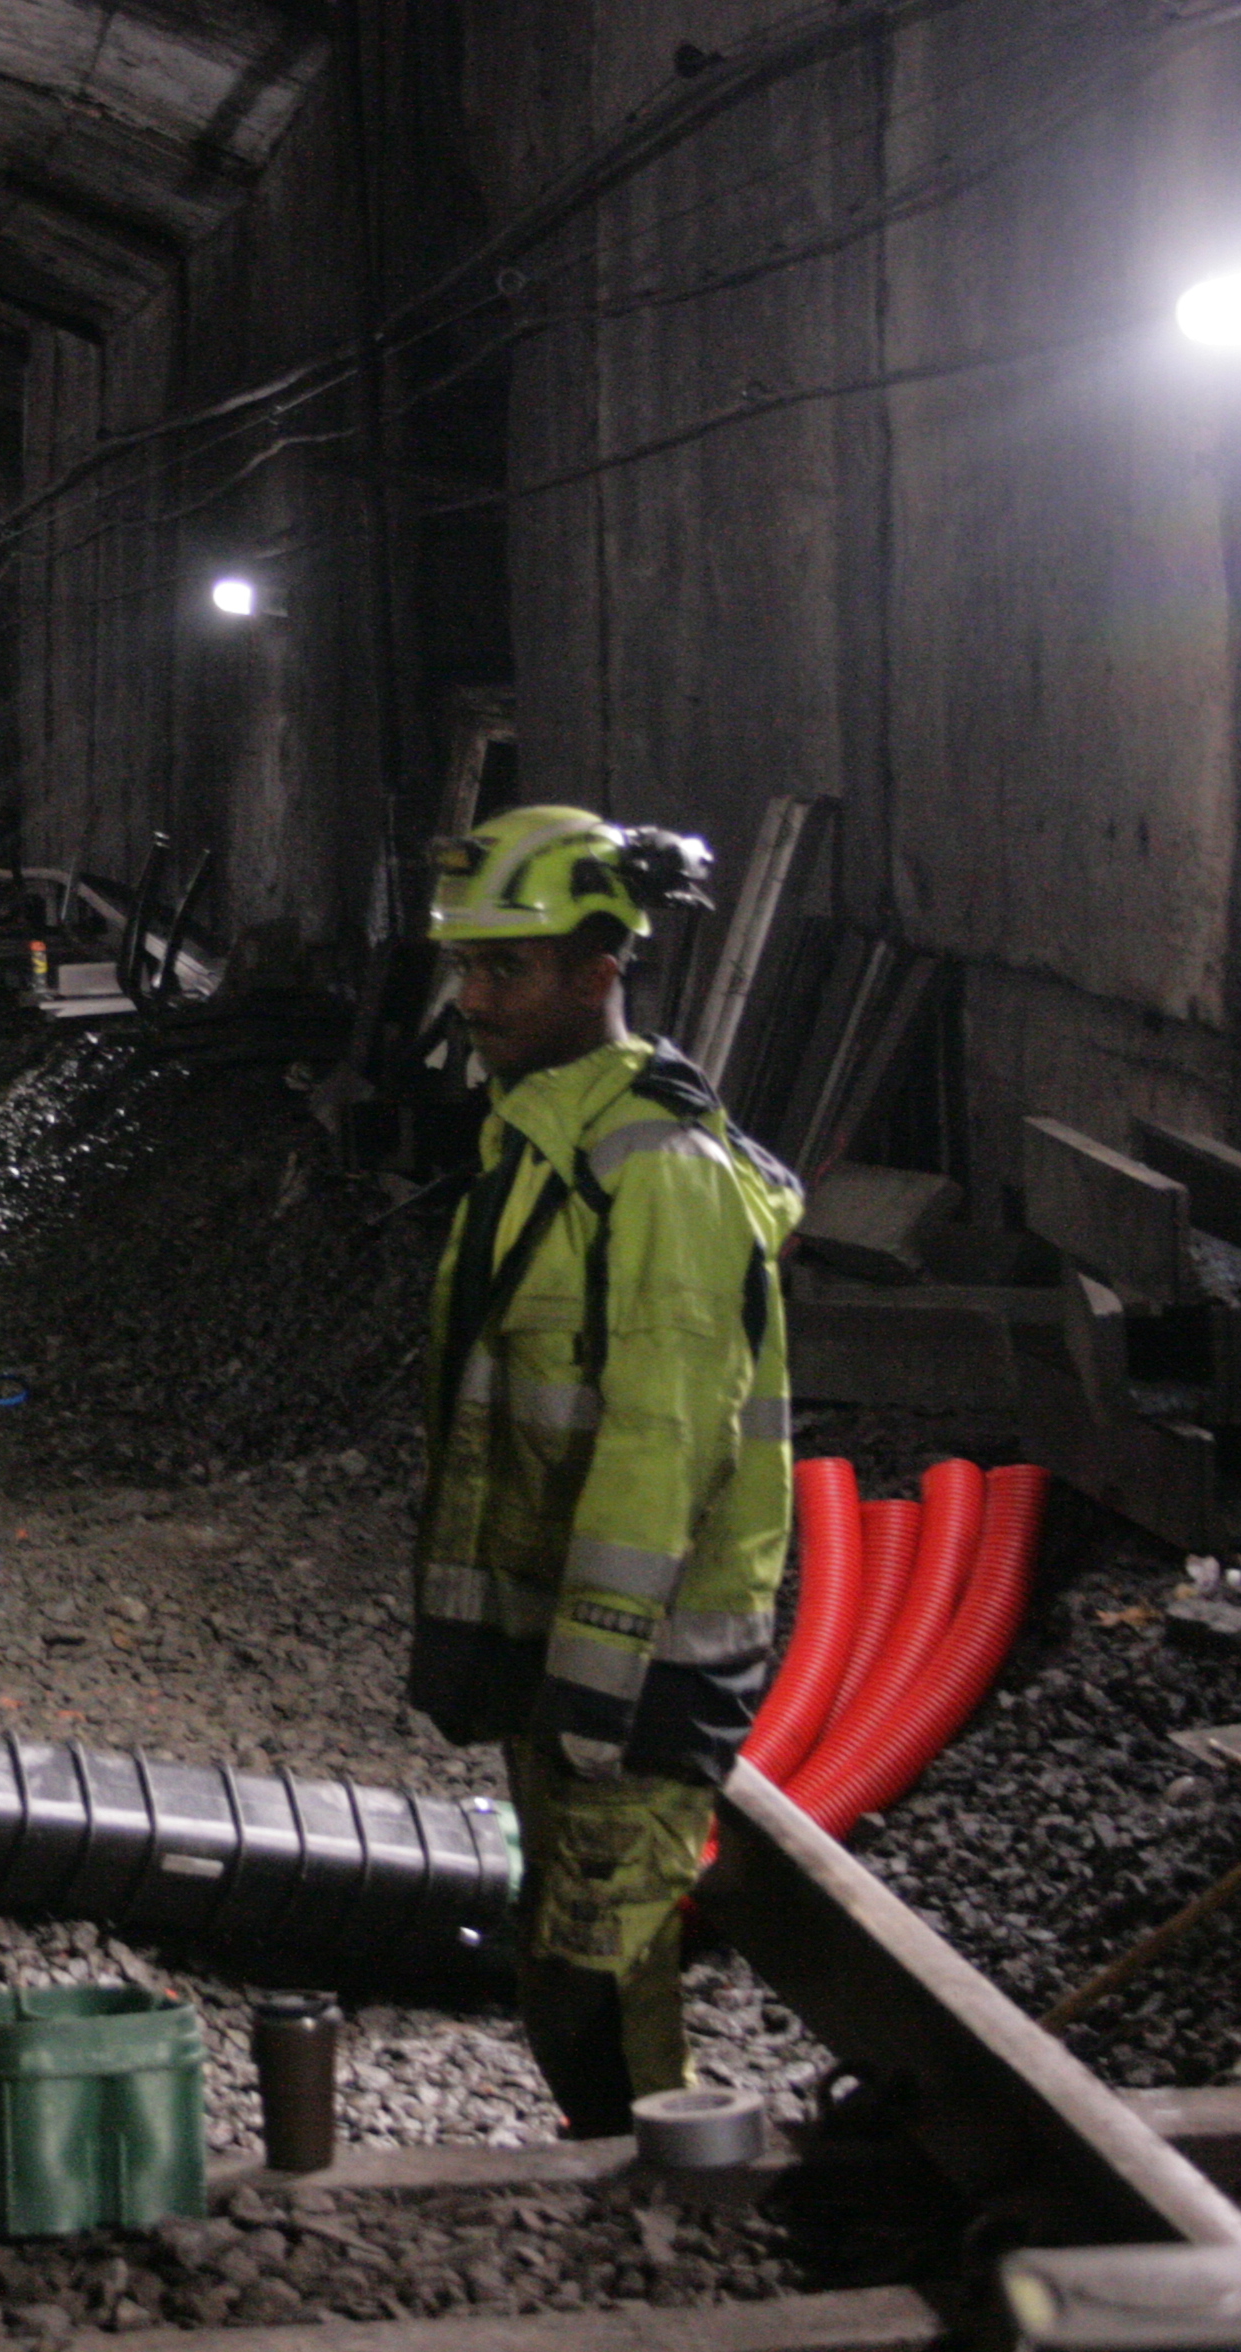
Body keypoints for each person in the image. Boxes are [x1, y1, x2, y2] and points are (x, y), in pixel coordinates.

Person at [410, 804, 804, 2138]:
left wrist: (595, 1677)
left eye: (504, 969)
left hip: (640, 1657)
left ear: (597, 975)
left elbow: (663, 1446)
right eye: (464, 967)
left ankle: (666, 2206)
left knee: (599, 1964)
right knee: (557, 1942)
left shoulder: (658, 1172)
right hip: (567, 1640)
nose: (473, 998)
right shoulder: (538, 1140)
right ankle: (625, 2177)